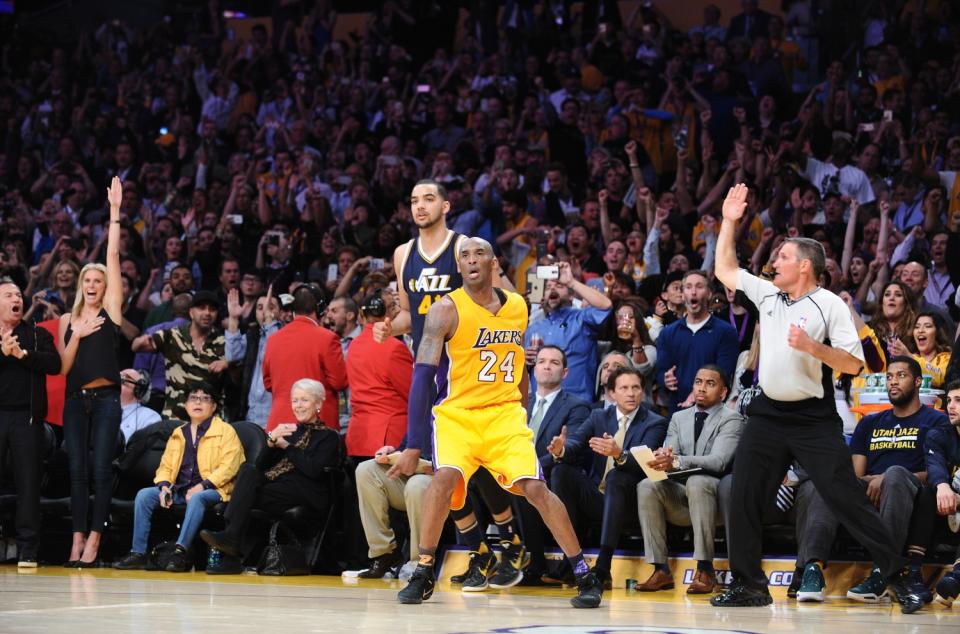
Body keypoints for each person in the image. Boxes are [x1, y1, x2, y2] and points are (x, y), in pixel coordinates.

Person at [711, 183, 923, 613]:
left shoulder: (829, 304)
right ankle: (751, 584)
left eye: (784, 257)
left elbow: (854, 364)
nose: (775, 261)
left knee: (845, 496)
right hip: (768, 414)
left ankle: (900, 576)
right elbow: (725, 269)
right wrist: (729, 221)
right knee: (744, 494)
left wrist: (813, 349)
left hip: (813, 417)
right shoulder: (768, 292)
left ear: (804, 266)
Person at [391, 237, 604, 608]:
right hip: (458, 414)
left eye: (479, 254)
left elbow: (519, 362)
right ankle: (425, 569)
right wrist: (414, 442)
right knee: (444, 480)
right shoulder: (445, 310)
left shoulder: (518, 307)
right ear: (458, 267)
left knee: (537, 489)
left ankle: (584, 572)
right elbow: (423, 375)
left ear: (494, 263)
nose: (472, 260)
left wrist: (522, 406)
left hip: (504, 415)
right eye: (465, 256)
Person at [200, 379, 341, 570]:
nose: (298, 406)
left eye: (304, 400)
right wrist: (270, 442)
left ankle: (230, 551)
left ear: (318, 404)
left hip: (307, 491)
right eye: (295, 401)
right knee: (247, 472)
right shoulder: (288, 431)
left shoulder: (329, 437)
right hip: (279, 488)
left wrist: (287, 447)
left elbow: (314, 471)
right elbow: (260, 467)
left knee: (243, 496)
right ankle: (231, 541)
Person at [547, 366, 668, 586]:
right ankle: (570, 559)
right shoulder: (599, 416)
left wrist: (619, 454)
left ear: (642, 391)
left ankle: (603, 567)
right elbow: (576, 442)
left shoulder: (654, 422)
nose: (631, 393)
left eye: (636, 388)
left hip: (631, 502)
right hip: (599, 498)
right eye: (624, 388)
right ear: (612, 393)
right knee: (561, 472)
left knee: (616, 476)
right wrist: (561, 450)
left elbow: (646, 465)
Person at [56, 177, 124, 567]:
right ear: (81, 285)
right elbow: (63, 366)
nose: (95, 283)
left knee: (100, 469)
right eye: (89, 279)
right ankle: (76, 539)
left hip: (106, 400)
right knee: (76, 471)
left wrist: (114, 214)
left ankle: (96, 539)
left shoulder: (110, 313)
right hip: (74, 400)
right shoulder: (68, 318)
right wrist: (76, 335)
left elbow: (111, 258)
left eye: (99, 280)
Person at [636, 365, 745, 594]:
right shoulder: (678, 417)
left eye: (710, 383)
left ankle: (705, 568)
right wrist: (662, 459)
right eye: (698, 382)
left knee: (698, 482)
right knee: (646, 485)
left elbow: (719, 462)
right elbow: (670, 453)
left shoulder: (732, 419)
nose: (702, 388)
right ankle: (660, 569)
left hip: (716, 501)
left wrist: (677, 461)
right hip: (682, 496)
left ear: (724, 392)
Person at [113, 382, 243, 572]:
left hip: (214, 490)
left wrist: (203, 485)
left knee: (197, 497)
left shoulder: (226, 431)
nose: (198, 402)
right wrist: (165, 486)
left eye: (205, 398)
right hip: (180, 489)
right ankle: (138, 553)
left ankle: (180, 552)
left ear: (214, 406)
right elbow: (166, 465)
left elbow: (230, 467)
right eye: (193, 398)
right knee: (144, 495)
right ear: (187, 404)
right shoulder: (178, 433)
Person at [0, 277, 61, 567]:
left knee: (28, 484)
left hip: (27, 417)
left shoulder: (36, 335)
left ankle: (27, 549)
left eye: (18, 294)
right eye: (9, 295)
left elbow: (55, 364)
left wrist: (21, 355)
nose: (17, 299)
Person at [518, 345, 591, 582]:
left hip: (549, 473)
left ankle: (540, 561)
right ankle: (476, 556)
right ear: (533, 367)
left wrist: (531, 466)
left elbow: (573, 450)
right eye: (541, 361)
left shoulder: (576, 406)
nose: (547, 366)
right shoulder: (516, 403)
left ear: (565, 372)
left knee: (532, 480)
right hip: (514, 469)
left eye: (554, 362)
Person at [131, 290, 228, 421]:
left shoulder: (223, 342)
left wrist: (227, 363)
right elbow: (136, 346)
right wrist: (139, 342)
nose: (207, 313)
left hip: (210, 420)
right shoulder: (172, 335)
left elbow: (237, 371)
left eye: (212, 309)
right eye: (201, 308)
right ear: (191, 312)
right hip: (174, 417)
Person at [262, 285, 347, 433]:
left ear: (293, 309)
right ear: (320, 309)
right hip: (317, 429)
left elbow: (268, 383)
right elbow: (340, 382)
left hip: (280, 426)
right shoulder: (328, 338)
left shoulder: (273, 339)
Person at [524, 262, 614, 402]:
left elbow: (606, 306)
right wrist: (524, 361)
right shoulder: (533, 329)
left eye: (559, 286)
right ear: (543, 298)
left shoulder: (582, 318)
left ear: (571, 296)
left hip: (577, 402)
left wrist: (571, 282)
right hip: (539, 404)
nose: (552, 288)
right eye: (547, 287)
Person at [656, 270, 739, 412]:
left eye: (699, 287)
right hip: (677, 411)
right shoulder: (667, 333)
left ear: (709, 294)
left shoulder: (726, 332)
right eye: (688, 287)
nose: (693, 292)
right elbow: (660, 372)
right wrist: (665, 379)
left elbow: (724, 374)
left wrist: (697, 394)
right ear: (683, 295)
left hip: (713, 413)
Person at [344, 290, 412, 459]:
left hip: (359, 439)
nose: (397, 311)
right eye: (393, 307)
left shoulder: (353, 345)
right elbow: (412, 393)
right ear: (384, 312)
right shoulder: (394, 347)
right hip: (388, 441)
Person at [225, 287, 281, 428]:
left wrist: (269, 320)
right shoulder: (252, 336)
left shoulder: (284, 336)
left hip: (275, 414)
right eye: (260, 308)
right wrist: (233, 318)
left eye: (270, 307)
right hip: (251, 413)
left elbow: (274, 353)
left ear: (280, 312)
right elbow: (232, 355)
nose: (264, 311)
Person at [927, 381, 960, 607]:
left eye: (958, 401)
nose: (951, 406)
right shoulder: (938, 435)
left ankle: (957, 575)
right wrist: (942, 485)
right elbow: (934, 464)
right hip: (947, 512)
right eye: (949, 400)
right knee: (923, 492)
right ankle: (910, 574)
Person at [118, 368, 161, 444]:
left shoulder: (150, 417)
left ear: (139, 390)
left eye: (123, 379)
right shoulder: (99, 409)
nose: (116, 382)